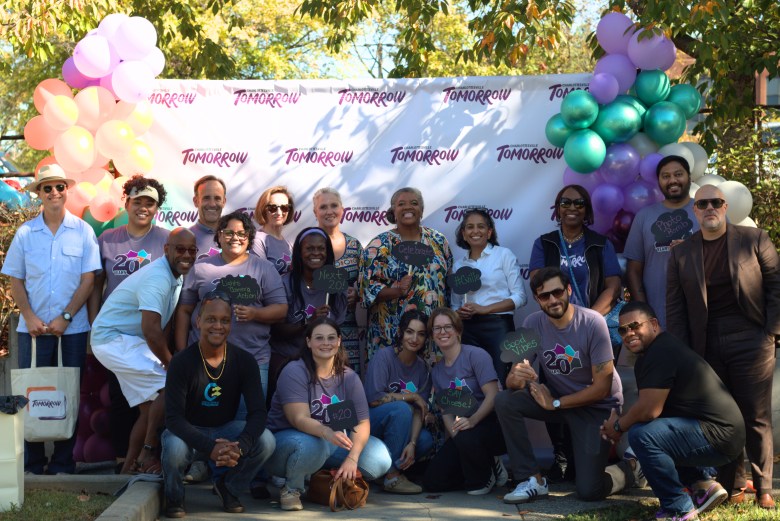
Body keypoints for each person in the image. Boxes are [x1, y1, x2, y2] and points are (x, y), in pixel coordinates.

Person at [667, 184, 780, 509]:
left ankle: (764, 488)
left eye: (716, 202)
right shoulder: (681, 252)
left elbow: (776, 285)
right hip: (706, 345)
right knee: (723, 417)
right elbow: (675, 308)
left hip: (751, 338)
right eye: (703, 204)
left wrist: (771, 333)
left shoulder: (754, 239)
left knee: (756, 416)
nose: (710, 208)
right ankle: (732, 483)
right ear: (695, 211)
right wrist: (683, 354)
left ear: (726, 206)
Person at [600, 301, 745, 520]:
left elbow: (649, 410)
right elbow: (655, 412)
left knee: (642, 435)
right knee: (650, 431)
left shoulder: (660, 351)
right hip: (720, 433)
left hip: (719, 435)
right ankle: (702, 485)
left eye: (635, 326)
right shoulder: (655, 352)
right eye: (623, 330)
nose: (629, 333)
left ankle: (677, 507)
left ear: (654, 324)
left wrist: (618, 426)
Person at [2, 164, 100, 474]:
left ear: (66, 191)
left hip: (71, 329)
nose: (54, 192)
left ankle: (62, 462)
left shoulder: (83, 231)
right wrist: (29, 316)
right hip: (31, 329)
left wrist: (67, 317)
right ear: (40, 194)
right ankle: (32, 462)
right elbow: (15, 278)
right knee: (29, 394)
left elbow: (88, 280)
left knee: (67, 391)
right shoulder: (26, 233)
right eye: (48, 188)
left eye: (59, 186)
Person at [496, 267, 623, 504]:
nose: (553, 300)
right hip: (558, 401)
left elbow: (603, 388)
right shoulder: (532, 322)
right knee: (505, 400)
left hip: (597, 408)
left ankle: (631, 469)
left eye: (558, 292)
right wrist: (517, 376)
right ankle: (533, 479)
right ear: (536, 299)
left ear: (569, 290)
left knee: (589, 490)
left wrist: (555, 403)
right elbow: (510, 382)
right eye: (545, 296)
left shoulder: (593, 322)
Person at [528, 185, 622, 482]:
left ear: (587, 210)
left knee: (590, 391)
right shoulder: (545, 243)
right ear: (557, 208)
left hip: (594, 326)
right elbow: (536, 282)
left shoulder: (599, 243)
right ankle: (560, 456)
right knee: (553, 384)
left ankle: (597, 459)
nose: (572, 207)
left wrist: (591, 316)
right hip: (555, 327)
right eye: (565, 202)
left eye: (579, 203)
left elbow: (613, 284)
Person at [91, 228, 197, 474]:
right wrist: (170, 362)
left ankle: (129, 469)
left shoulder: (175, 274)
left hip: (129, 341)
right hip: (114, 340)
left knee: (150, 408)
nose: (187, 255)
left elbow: (164, 321)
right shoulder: (158, 278)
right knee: (171, 385)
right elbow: (151, 330)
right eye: (180, 249)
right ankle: (148, 450)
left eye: (192, 250)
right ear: (166, 249)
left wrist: (167, 357)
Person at [162, 292, 276, 518]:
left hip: (225, 429)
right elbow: (173, 419)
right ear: (198, 321)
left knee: (266, 441)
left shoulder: (245, 361)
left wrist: (240, 446)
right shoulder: (181, 362)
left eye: (224, 320)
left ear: (231, 324)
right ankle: (174, 495)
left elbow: (258, 413)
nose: (218, 326)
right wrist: (210, 447)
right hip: (189, 431)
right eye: (211, 319)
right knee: (174, 448)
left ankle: (228, 487)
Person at [264, 317, 392, 511]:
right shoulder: (295, 370)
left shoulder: (348, 376)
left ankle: (316, 473)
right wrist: (327, 432)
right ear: (308, 342)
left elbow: (362, 422)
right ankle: (292, 488)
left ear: (339, 341)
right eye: (319, 338)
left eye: (331, 338)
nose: (326, 343)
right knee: (313, 443)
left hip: (330, 442)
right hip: (288, 443)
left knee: (380, 459)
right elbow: (298, 418)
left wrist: (353, 457)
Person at [87, 175, 170, 464]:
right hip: (116, 336)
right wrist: (93, 325)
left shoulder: (167, 240)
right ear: (127, 203)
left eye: (150, 203)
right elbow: (96, 286)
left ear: (157, 208)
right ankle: (124, 457)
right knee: (120, 399)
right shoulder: (107, 240)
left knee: (153, 399)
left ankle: (152, 456)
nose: (143, 208)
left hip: (150, 335)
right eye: (138, 201)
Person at [175, 210, 288, 397]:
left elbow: (282, 309)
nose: (235, 238)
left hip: (253, 360)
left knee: (249, 419)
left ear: (249, 237)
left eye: (242, 233)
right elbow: (184, 311)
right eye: (228, 233)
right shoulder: (200, 268)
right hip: (203, 360)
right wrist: (181, 352)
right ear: (219, 235)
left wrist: (255, 314)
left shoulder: (264, 269)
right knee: (203, 417)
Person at [360, 187, 453, 361]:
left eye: (414, 203)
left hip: (432, 332)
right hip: (391, 333)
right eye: (401, 204)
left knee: (430, 383)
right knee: (393, 384)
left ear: (422, 210)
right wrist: (397, 291)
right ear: (393, 211)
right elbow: (367, 289)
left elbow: (447, 283)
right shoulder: (379, 245)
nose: (408, 207)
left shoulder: (438, 241)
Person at [421, 308, 507, 495]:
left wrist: (473, 420)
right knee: (433, 481)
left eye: (447, 327)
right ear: (432, 335)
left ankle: (484, 477)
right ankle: (486, 463)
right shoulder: (437, 371)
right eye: (437, 329)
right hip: (463, 428)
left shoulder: (476, 355)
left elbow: (493, 395)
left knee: (465, 432)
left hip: (490, 422)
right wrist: (454, 435)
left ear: (458, 330)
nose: (442, 332)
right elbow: (446, 411)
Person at [268, 227, 348, 405]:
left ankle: (338, 429)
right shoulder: (284, 283)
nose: (316, 253)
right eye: (310, 249)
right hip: (288, 359)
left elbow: (336, 329)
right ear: (299, 252)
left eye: (321, 249)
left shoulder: (336, 284)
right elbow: (276, 331)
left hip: (323, 359)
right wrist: (308, 323)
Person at [363, 310, 434, 494]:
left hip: (401, 428)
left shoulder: (423, 369)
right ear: (401, 332)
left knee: (424, 440)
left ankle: (381, 473)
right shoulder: (384, 357)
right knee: (402, 409)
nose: (414, 338)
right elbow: (374, 399)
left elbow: (419, 410)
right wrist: (410, 396)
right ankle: (392, 476)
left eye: (421, 334)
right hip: (373, 424)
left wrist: (412, 443)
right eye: (410, 332)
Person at [624, 155, 698, 328]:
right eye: (665, 176)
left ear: (689, 177)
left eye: (678, 174)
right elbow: (633, 270)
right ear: (658, 181)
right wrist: (645, 314)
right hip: (659, 318)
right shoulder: (644, 216)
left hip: (702, 317)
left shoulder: (706, 209)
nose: (672, 180)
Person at [452, 208, 526, 381]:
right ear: (463, 233)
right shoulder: (458, 266)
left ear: (489, 231)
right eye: (469, 227)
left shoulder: (504, 255)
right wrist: (458, 312)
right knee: (473, 380)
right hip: (468, 329)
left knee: (502, 377)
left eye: (481, 226)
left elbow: (520, 297)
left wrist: (485, 309)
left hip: (498, 327)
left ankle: (500, 409)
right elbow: (454, 304)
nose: (475, 231)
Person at [313, 187, 365, 375]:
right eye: (323, 207)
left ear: (342, 210)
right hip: (317, 329)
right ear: (315, 212)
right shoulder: (307, 244)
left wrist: (357, 294)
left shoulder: (355, 246)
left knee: (348, 382)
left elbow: (364, 285)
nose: (329, 211)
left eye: (334, 205)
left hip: (348, 332)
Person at [251, 186, 294, 275]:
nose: (279, 213)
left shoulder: (289, 244)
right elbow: (262, 277)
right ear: (263, 210)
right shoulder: (257, 240)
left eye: (284, 208)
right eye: (272, 208)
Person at [190, 175, 226, 259]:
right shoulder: (183, 239)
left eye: (217, 198)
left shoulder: (236, 239)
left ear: (224, 202)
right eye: (206, 198)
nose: (212, 204)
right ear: (196, 201)